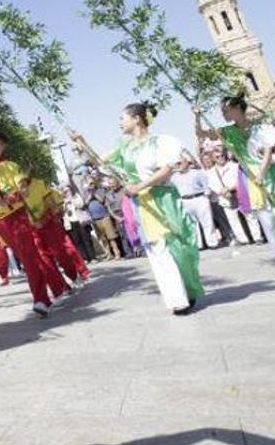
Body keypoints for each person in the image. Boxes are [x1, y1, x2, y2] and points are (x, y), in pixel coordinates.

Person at [72, 102, 204, 315]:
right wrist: (82, 141)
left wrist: (141, 186)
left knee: (179, 248)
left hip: (163, 198)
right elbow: (98, 161)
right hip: (141, 203)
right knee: (157, 249)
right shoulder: (123, 146)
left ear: (137, 119)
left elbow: (167, 169)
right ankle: (177, 299)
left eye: (122, 118)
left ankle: (188, 289)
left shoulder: (161, 142)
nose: (119, 123)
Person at [0, 129, 71, 317]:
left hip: (16, 215)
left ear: (4, 146)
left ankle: (41, 299)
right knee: (28, 258)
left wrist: (9, 199)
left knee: (29, 257)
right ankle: (57, 288)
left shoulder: (11, 166)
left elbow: (23, 190)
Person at [195, 97, 275, 276]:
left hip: (272, 175)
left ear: (238, 107)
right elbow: (201, 134)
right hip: (251, 178)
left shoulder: (262, 127)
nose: (224, 114)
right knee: (267, 220)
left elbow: (269, 152)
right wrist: (197, 116)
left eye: (226, 110)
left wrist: (261, 174)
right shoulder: (227, 131)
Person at [170, 155, 221, 249]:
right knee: (192, 224)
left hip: (199, 198)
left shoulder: (197, 173)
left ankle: (212, 243)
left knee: (207, 222)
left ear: (186, 162)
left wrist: (206, 197)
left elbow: (206, 186)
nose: (178, 165)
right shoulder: (174, 177)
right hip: (185, 200)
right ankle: (199, 245)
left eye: (180, 163)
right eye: (177, 164)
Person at [86, 175, 123, 259]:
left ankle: (117, 253)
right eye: (89, 183)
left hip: (104, 216)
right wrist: (89, 193)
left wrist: (94, 193)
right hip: (95, 218)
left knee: (111, 237)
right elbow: (86, 203)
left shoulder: (101, 190)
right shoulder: (87, 193)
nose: (91, 184)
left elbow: (101, 200)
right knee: (103, 238)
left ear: (95, 182)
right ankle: (109, 254)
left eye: (92, 182)